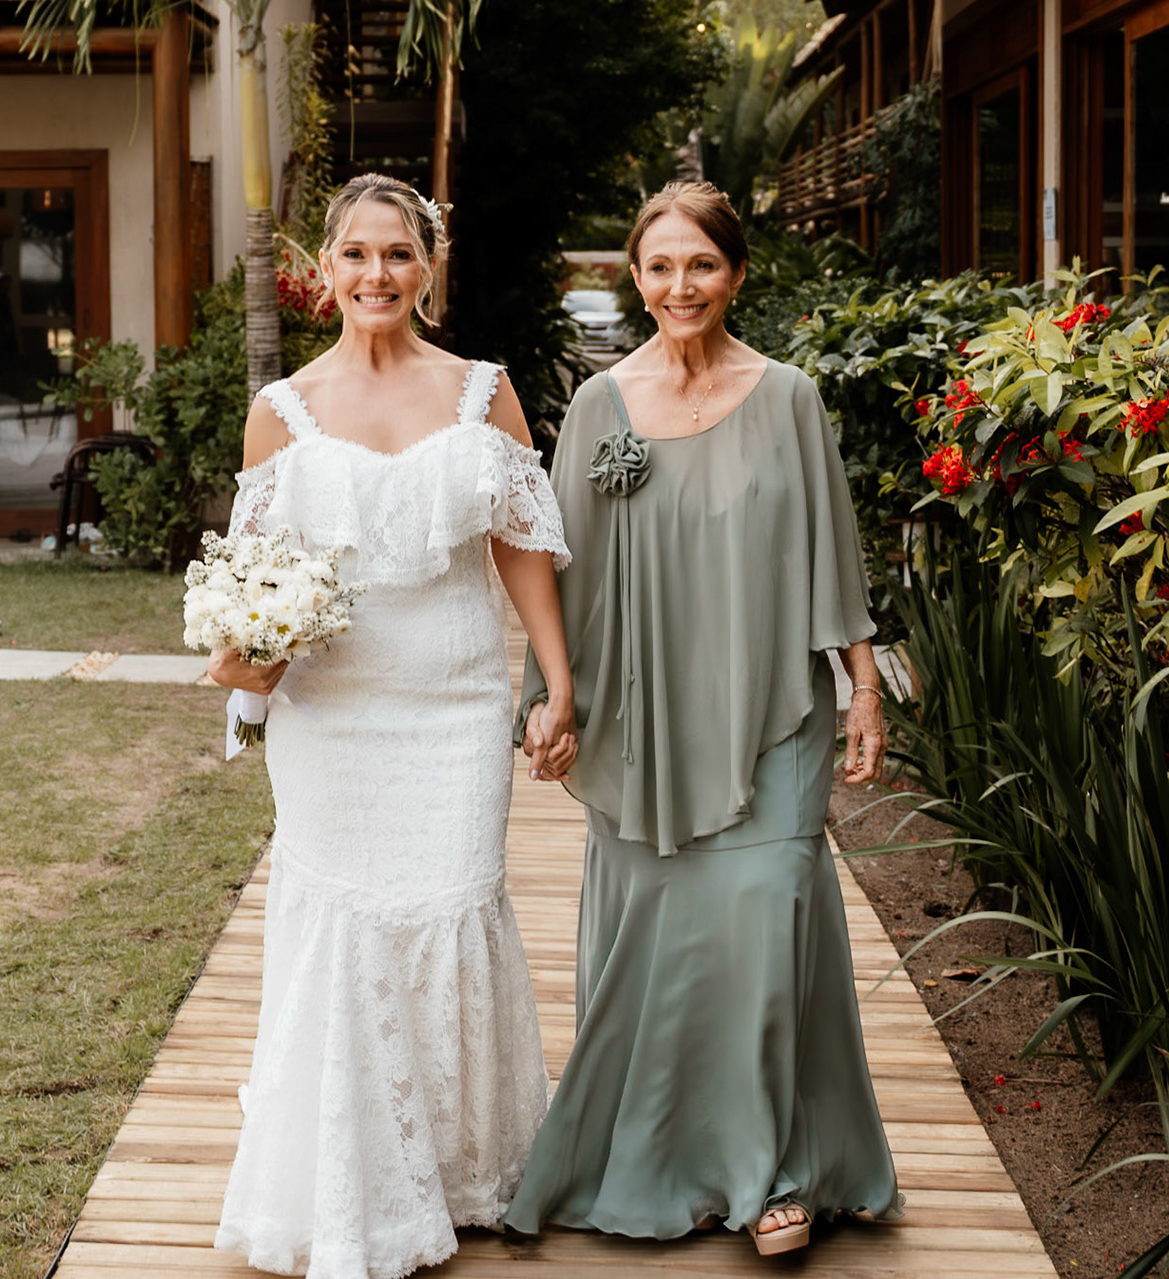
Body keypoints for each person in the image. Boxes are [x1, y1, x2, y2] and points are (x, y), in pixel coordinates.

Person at [502, 180, 903, 1256]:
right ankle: (663, 1160)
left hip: (777, 708)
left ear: (737, 273)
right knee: (660, 942)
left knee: (768, 913)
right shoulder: (597, 409)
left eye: (703, 265)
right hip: (646, 719)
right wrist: (556, 699)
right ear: (634, 278)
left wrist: (865, 686)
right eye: (662, 267)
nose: (682, 286)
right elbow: (562, 571)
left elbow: (833, 552)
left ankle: (772, 1171)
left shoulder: (790, 397)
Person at [211, 173, 580, 1278]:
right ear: (323, 268)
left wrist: (554, 684)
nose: (377, 274)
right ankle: (349, 1189)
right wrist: (243, 650)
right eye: (356, 254)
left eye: (398, 254)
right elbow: (255, 579)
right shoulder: (281, 411)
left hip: (457, 702)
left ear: (430, 266)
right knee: (342, 924)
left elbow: (522, 548)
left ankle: (463, 1169)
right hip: (334, 717)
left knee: (455, 904)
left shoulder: (485, 394)